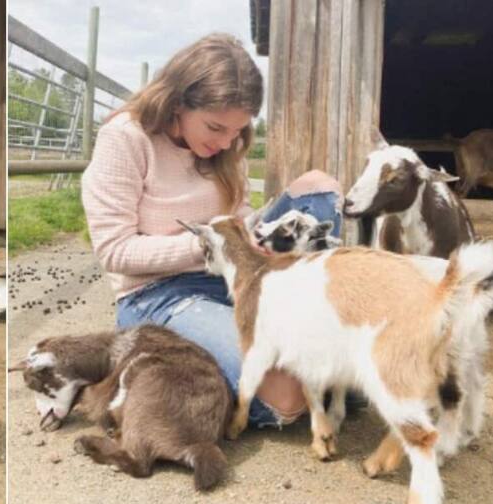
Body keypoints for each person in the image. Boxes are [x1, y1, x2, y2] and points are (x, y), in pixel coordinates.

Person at [82, 33, 343, 428]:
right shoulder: (125, 138)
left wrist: (255, 242)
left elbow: (239, 215)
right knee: (290, 396)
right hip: (160, 293)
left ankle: (319, 312)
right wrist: (210, 247)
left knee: (318, 185)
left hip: (236, 276)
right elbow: (115, 252)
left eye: (237, 131)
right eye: (215, 127)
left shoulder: (226, 147)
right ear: (177, 102)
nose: (226, 142)